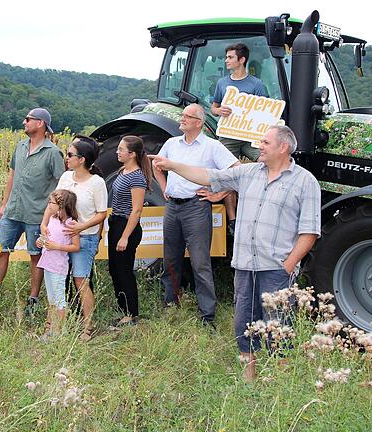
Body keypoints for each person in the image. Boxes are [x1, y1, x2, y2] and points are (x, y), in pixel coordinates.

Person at [150, 125, 321, 382]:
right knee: (244, 325)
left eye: (265, 142)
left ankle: (281, 384)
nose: (259, 146)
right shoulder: (248, 173)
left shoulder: (305, 181)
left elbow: (309, 231)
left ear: (283, 147)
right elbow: (207, 176)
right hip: (244, 266)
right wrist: (173, 166)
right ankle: (248, 379)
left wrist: (289, 264)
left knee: (279, 327)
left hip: (276, 268)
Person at [153, 103, 239, 326]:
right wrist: (164, 187)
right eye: (182, 115)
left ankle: (207, 315)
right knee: (170, 259)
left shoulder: (212, 146)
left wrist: (220, 193)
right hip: (172, 207)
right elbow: (157, 165)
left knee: (200, 263)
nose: (182, 119)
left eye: (187, 116)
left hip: (196, 207)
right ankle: (170, 305)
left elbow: (236, 170)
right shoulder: (172, 143)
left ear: (199, 123)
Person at [0, 108, 65, 314]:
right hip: (12, 211)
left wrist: (52, 212)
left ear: (40, 123)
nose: (24, 122)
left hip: (36, 215)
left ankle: (33, 299)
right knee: (1, 250)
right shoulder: (20, 146)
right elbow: (12, 176)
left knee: (35, 256)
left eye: (28, 119)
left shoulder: (52, 153)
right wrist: (4, 204)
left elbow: (62, 184)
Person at [44, 135, 108, 341]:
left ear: (82, 160)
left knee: (80, 281)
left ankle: (87, 327)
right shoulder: (65, 178)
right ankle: (52, 326)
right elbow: (53, 203)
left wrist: (81, 226)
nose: (67, 157)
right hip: (60, 238)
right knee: (56, 279)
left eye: (70, 154)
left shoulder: (97, 183)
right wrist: (43, 224)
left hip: (85, 238)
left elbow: (101, 213)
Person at [210, 43, 269, 235]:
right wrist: (219, 111)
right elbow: (214, 107)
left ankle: (264, 209)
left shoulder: (256, 85)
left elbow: (266, 111)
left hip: (250, 136)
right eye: (226, 57)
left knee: (268, 161)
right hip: (229, 135)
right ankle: (233, 219)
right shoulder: (222, 83)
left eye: (230, 57)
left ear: (241, 60)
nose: (226, 60)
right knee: (227, 173)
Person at [107, 136, 151, 327]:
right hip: (116, 222)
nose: (118, 152)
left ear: (132, 154)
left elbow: (137, 210)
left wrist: (125, 236)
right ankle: (123, 310)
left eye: (121, 150)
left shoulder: (137, 177)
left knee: (124, 271)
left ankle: (131, 313)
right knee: (115, 270)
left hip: (127, 226)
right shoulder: (123, 171)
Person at [35, 189, 81, 339]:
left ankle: (59, 331)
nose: (48, 205)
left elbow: (75, 246)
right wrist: (41, 241)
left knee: (59, 300)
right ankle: (50, 329)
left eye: (51, 203)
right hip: (48, 263)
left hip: (58, 267)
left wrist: (57, 247)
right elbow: (47, 236)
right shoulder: (53, 219)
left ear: (61, 206)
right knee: (51, 299)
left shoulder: (71, 224)